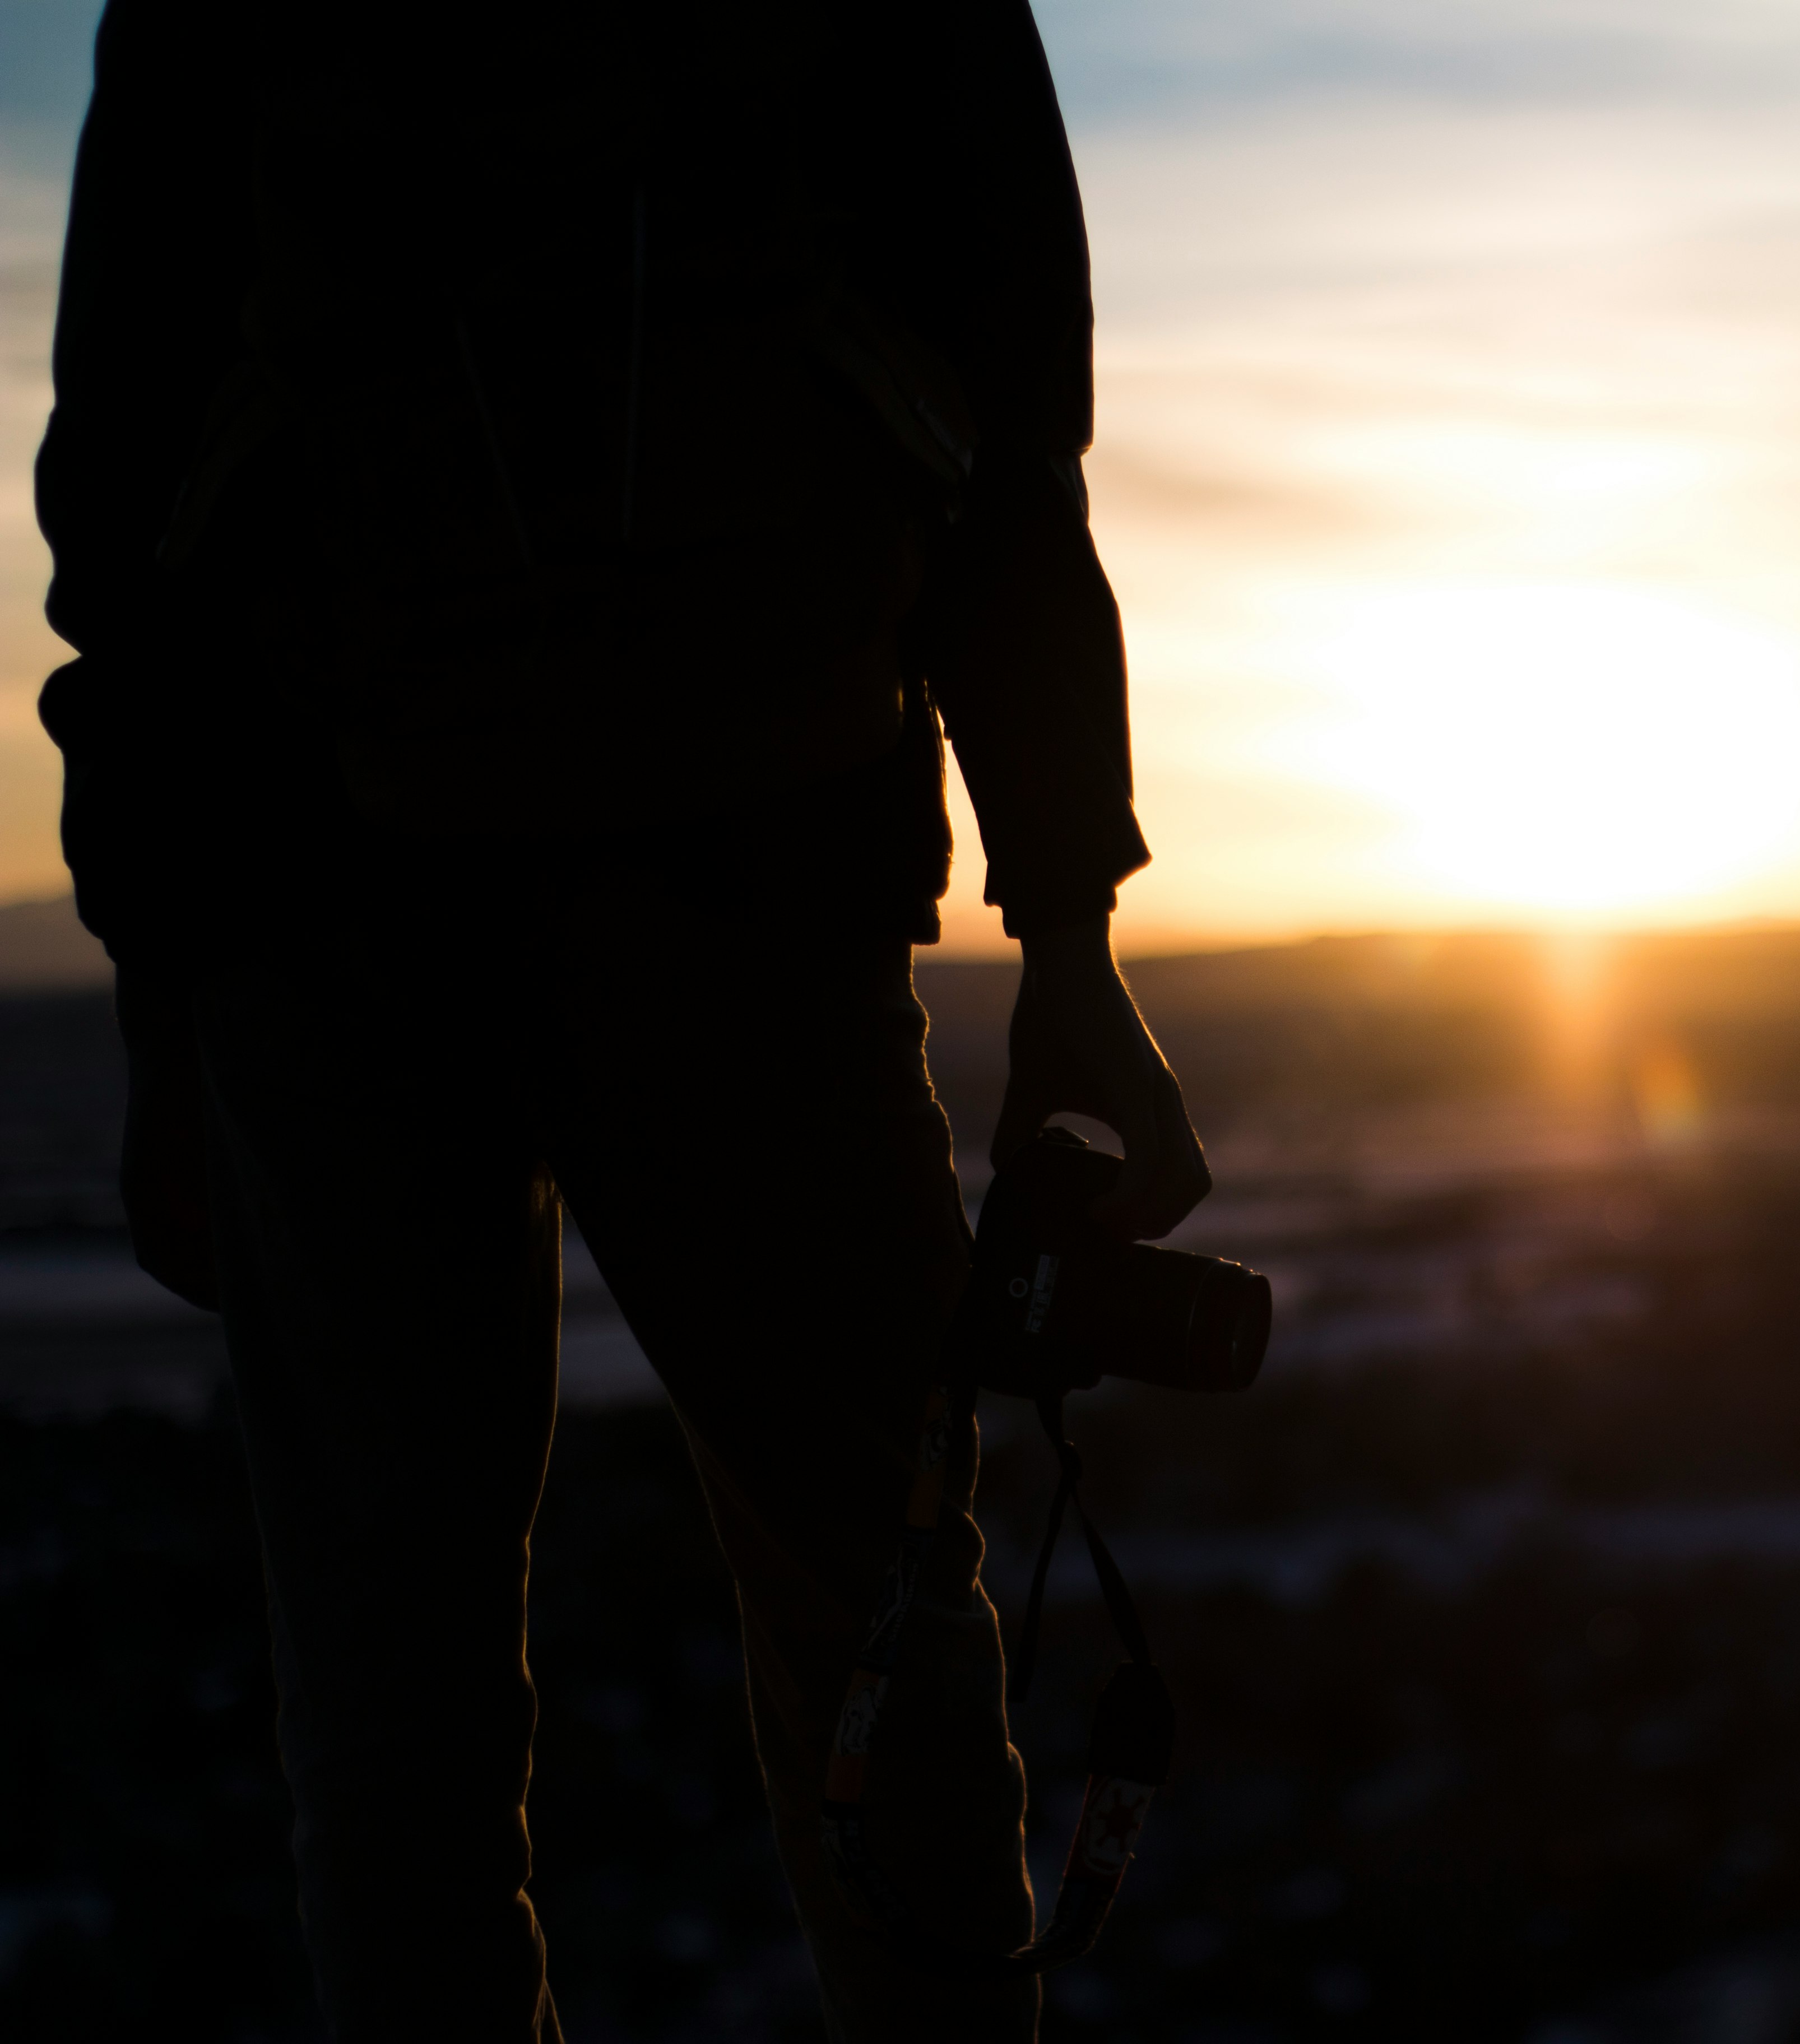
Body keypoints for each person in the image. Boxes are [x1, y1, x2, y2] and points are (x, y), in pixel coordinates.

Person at [35, 2, 1211, 2036]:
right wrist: (1070, 943)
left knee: (393, 1732)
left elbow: (128, 508)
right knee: (888, 1645)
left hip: (334, 911)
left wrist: (163, 1019)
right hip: (735, 879)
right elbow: (1012, 441)